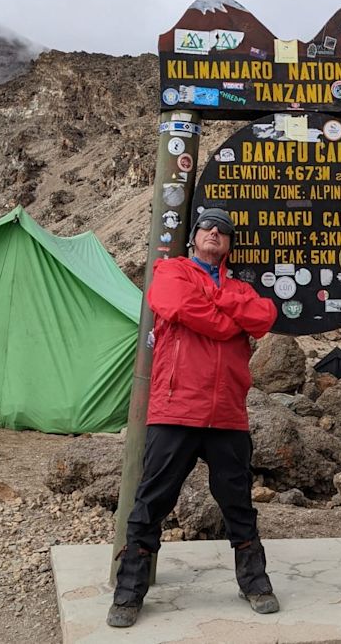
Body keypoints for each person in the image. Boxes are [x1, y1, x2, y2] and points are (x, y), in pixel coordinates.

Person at [107, 208, 279, 628]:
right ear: (194, 236)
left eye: (224, 230)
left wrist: (220, 300)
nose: (216, 232)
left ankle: (254, 583)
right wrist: (230, 318)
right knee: (152, 501)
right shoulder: (171, 271)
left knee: (238, 503)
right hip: (176, 408)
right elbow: (177, 303)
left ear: (230, 245)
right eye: (208, 227)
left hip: (226, 413)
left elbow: (264, 316)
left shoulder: (239, 288)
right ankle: (129, 592)